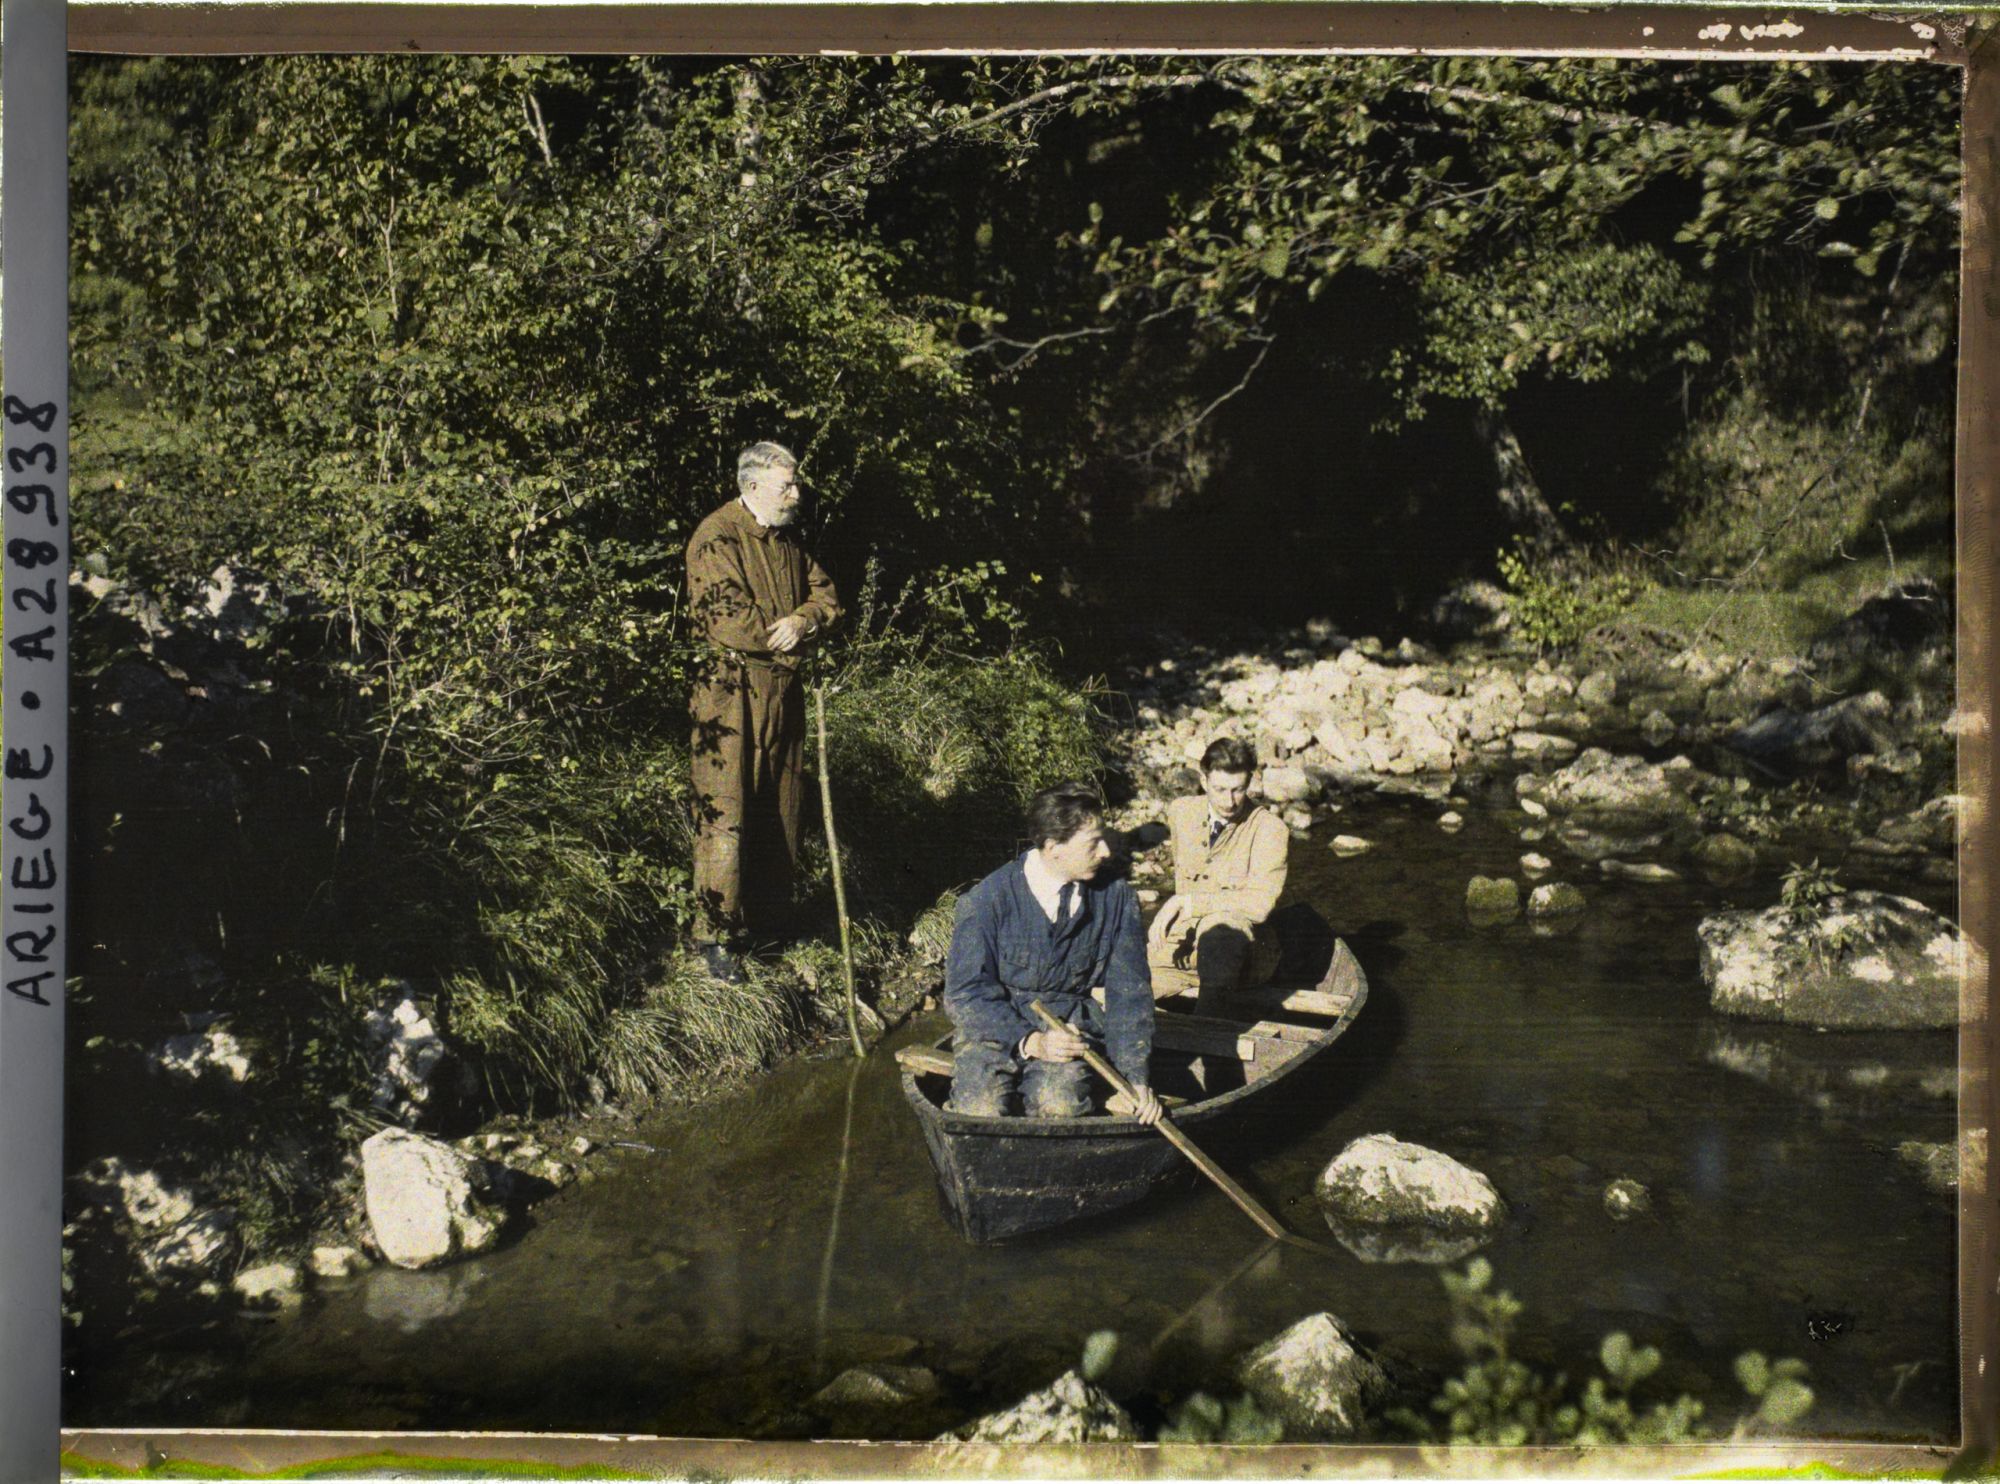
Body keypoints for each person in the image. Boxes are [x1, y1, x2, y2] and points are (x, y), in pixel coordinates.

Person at [685, 441, 841, 984]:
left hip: (783, 688)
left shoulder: (788, 539)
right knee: (726, 810)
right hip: (730, 694)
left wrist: (803, 621)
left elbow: (826, 596)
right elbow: (728, 618)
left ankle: (770, 925)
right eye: (787, 485)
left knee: (782, 804)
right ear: (752, 487)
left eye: (795, 483)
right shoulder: (716, 536)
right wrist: (783, 635)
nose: (797, 493)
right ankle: (716, 937)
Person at [943, 782, 1163, 1125]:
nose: (1106, 850)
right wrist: (1029, 1041)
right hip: (993, 1031)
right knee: (978, 1111)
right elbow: (965, 994)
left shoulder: (1117, 899)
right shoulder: (986, 900)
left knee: (1059, 1106)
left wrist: (1134, 1077)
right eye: (1093, 843)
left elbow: (1129, 996)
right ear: (1053, 847)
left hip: (1071, 1031)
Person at [1146, 736, 1288, 1011]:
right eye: (1220, 789)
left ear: (1250, 782)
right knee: (1127, 979)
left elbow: (1259, 905)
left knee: (1220, 931)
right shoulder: (1181, 812)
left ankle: (1209, 1034)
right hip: (1184, 944)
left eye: (1238, 789)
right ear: (1203, 780)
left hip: (1242, 954)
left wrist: (1187, 903)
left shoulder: (1271, 830)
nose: (1230, 801)